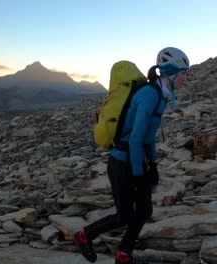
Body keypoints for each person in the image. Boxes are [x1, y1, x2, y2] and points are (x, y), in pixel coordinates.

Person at [73, 47, 190, 264]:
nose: (186, 77)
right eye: (183, 72)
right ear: (170, 71)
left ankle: (123, 254)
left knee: (144, 210)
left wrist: (152, 164)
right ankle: (83, 236)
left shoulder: (162, 95)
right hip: (121, 162)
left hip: (137, 161)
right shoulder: (149, 94)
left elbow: (148, 136)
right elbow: (135, 139)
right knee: (124, 215)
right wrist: (138, 174)